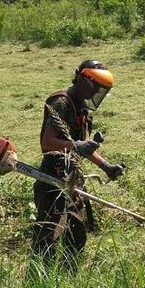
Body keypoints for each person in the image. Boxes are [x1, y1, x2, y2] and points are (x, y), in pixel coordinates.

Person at [32, 60, 125, 266]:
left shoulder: (81, 109)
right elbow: (48, 142)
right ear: (84, 81)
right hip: (53, 176)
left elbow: (82, 146)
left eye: (101, 90)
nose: (96, 93)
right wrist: (76, 147)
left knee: (76, 235)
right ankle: (38, 281)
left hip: (73, 178)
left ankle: (69, 278)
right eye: (96, 88)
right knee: (49, 235)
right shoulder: (62, 103)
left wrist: (106, 166)